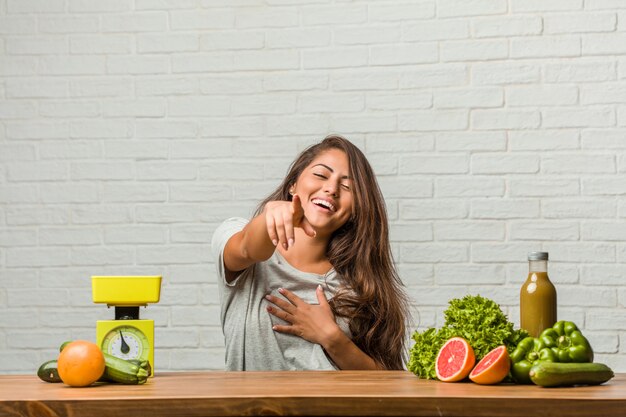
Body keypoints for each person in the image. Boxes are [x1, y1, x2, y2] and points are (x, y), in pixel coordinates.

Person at [211, 135, 410, 371]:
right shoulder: (237, 238)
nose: (331, 189)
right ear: (292, 184)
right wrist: (269, 218)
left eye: (347, 187)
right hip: (252, 408)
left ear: (355, 210)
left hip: (333, 408)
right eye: (321, 175)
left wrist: (332, 337)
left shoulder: (357, 286)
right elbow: (247, 247)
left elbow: (387, 381)